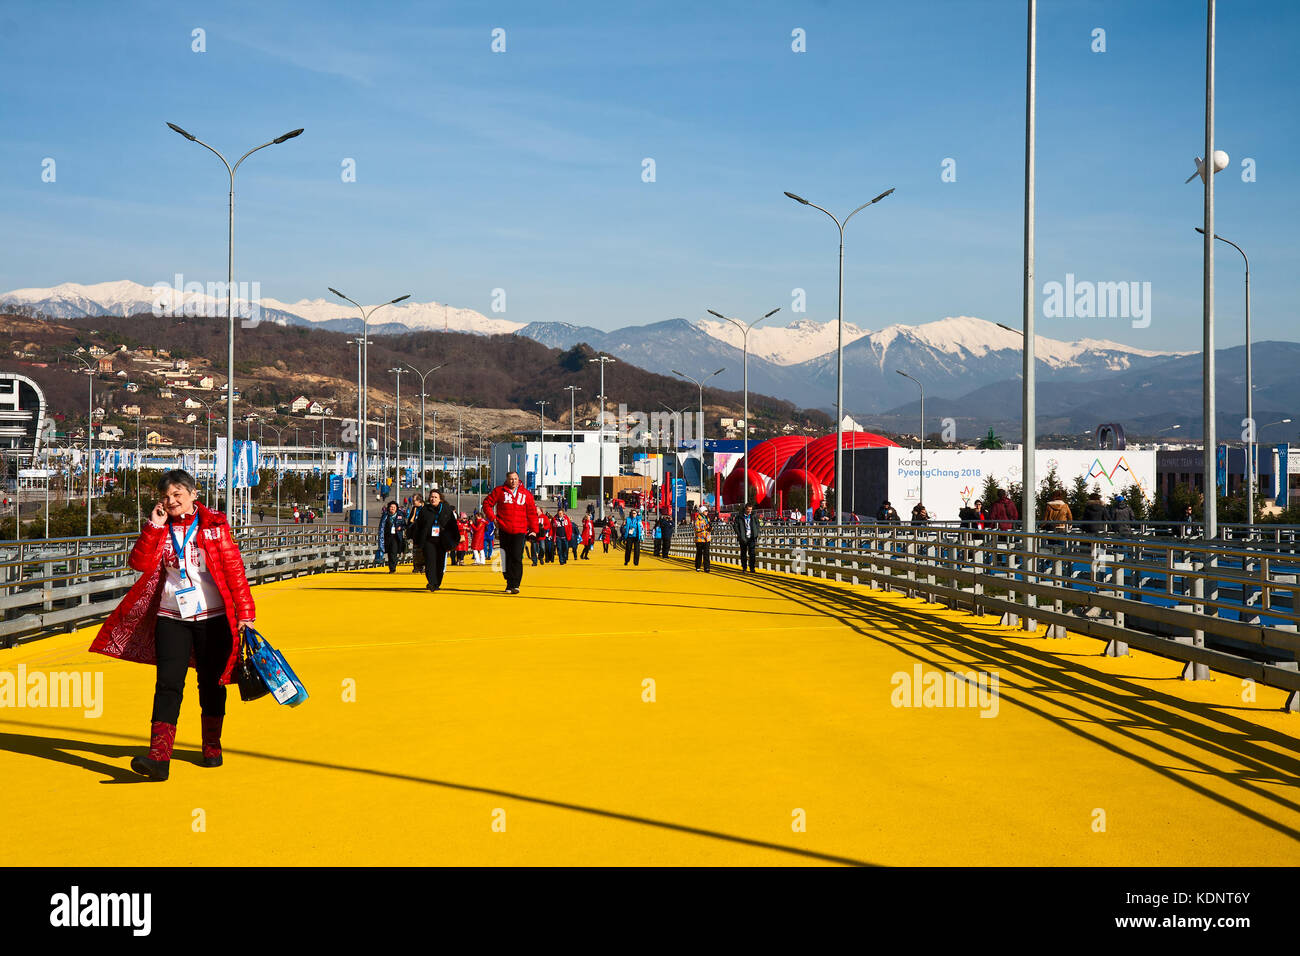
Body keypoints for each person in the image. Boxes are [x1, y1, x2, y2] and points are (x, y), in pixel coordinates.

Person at [89, 469, 255, 781]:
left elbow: (234, 570)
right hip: (171, 616)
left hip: (213, 617)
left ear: (194, 495)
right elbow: (139, 563)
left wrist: (245, 611)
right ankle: (159, 758)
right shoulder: (161, 528)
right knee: (167, 685)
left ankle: (211, 745)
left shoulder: (215, 526)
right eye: (166, 496)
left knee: (212, 683)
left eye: (178, 494)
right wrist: (153, 526)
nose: (171, 500)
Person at [481, 471, 540, 594]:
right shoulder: (499, 491)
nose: (513, 481)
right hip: (504, 529)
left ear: (519, 480)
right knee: (505, 557)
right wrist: (493, 519)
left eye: (515, 479)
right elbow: (486, 504)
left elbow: (532, 514)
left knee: (517, 556)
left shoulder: (526, 494)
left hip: (520, 530)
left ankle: (515, 584)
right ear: (507, 480)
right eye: (511, 479)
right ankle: (509, 582)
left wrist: (534, 530)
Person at [406, 489, 459, 591]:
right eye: (431, 497)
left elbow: (453, 525)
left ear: (440, 499)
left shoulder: (446, 509)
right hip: (428, 541)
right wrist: (417, 539)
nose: (433, 499)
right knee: (430, 562)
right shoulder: (425, 510)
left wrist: (454, 539)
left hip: (442, 541)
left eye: (435, 497)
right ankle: (431, 582)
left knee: (439, 563)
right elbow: (419, 526)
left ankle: (437, 583)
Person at [378, 500, 406, 573]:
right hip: (387, 536)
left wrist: (400, 528)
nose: (392, 508)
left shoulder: (400, 516)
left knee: (393, 552)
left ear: (396, 508)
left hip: (396, 537)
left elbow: (404, 525)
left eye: (394, 507)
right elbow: (381, 526)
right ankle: (391, 567)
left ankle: (392, 568)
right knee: (389, 552)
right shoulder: (385, 516)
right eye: (391, 507)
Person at [732, 502, 760, 573]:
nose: (749, 511)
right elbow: (735, 526)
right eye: (748, 510)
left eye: (751, 510)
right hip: (743, 537)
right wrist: (739, 535)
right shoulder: (739, 517)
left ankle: (752, 568)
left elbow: (757, 525)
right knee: (743, 553)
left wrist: (756, 533)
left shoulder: (753, 516)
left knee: (752, 553)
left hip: (752, 537)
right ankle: (744, 567)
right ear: (745, 509)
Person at [408, 494, 426, 574]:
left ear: (419, 501)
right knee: (415, 551)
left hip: (424, 533)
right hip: (416, 533)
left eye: (414, 500)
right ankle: (416, 566)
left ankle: (424, 566)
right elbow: (410, 520)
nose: (412, 502)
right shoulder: (414, 509)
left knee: (424, 550)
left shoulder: (426, 508)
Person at [693, 508, 712, 572]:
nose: (707, 512)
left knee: (706, 553)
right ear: (702, 511)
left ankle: (706, 567)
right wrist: (703, 529)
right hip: (700, 539)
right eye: (706, 511)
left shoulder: (707, 518)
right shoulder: (697, 518)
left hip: (707, 538)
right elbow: (696, 528)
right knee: (699, 553)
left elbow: (709, 527)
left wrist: (710, 528)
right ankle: (698, 566)